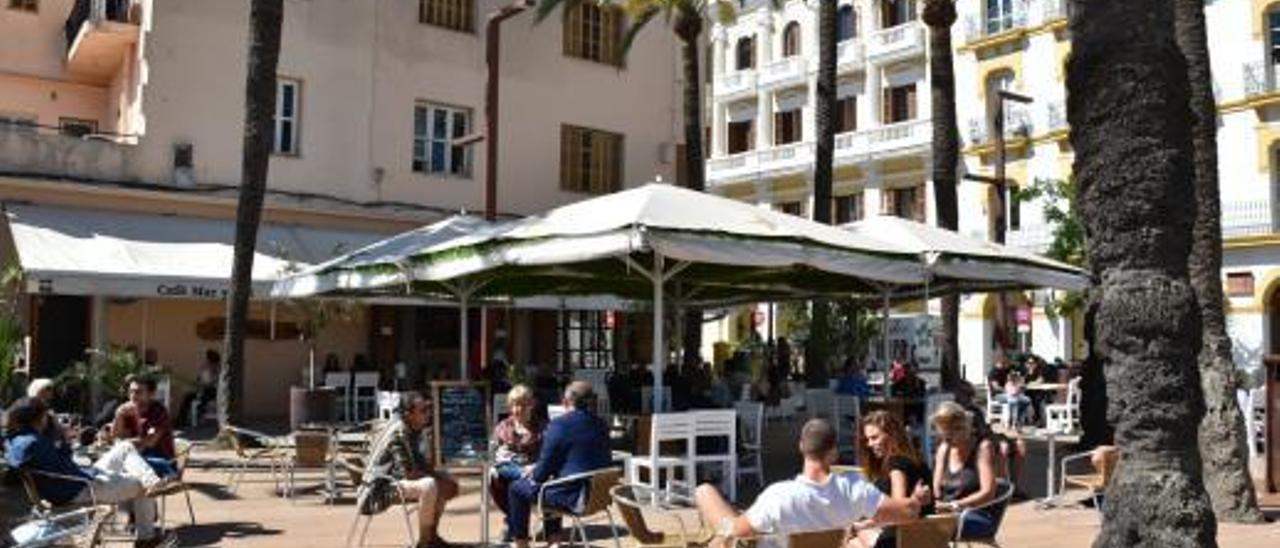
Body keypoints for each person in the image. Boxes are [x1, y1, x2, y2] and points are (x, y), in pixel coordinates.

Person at [694, 419, 926, 548]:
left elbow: (737, 532)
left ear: (801, 448)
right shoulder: (854, 489)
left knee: (706, 493)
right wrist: (916, 499)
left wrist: (722, 529)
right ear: (833, 452)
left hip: (751, 526)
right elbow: (907, 513)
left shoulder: (777, 496)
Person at [6, 397, 173, 548]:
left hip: (77, 481)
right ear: (37, 418)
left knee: (124, 447)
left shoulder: (16, 441)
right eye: (45, 416)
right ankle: (146, 538)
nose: (47, 419)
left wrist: (58, 438)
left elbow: (62, 462)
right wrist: (60, 434)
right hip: (81, 488)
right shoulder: (34, 443)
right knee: (140, 483)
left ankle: (153, 483)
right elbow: (65, 460)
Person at [506, 381, 611, 548]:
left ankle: (521, 543)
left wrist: (535, 468)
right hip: (600, 496)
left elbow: (540, 475)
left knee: (517, 489)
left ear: (565, 402)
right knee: (552, 484)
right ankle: (554, 542)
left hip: (576, 498)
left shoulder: (559, 425)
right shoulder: (601, 424)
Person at [369, 392, 459, 548]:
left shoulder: (417, 431)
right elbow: (407, 473)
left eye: (428, 409)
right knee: (430, 485)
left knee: (447, 480)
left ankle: (432, 536)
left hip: (401, 481)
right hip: (380, 488)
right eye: (423, 410)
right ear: (408, 414)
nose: (428, 414)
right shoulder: (399, 432)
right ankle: (424, 542)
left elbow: (424, 465)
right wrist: (437, 479)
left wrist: (441, 476)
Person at [856, 412, 931, 548]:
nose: (869, 444)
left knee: (851, 538)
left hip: (900, 539)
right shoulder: (917, 460)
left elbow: (899, 509)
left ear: (891, 435)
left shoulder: (896, 464)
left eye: (874, 438)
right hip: (927, 537)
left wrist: (865, 524)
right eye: (867, 439)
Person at [931, 402, 999, 540]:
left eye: (950, 437)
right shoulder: (944, 449)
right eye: (943, 437)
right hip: (947, 513)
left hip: (976, 513)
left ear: (963, 428)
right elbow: (936, 490)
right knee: (909, 524)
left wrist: (953, 506)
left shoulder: (982, 448)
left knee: (926, 529)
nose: (947, 441)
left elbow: (988, 493)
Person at [490, 385, 546, 516]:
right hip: (510, 468)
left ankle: (514, 525)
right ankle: (514, 521)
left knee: (516, 485)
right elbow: (494, 454)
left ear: (531, 405)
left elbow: (547, 455)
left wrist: (533, 467)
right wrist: (501, 455)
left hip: (534, 469)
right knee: (500, 472)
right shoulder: (504, 427)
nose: (517, 410)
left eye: (522, 405)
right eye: (514, 405)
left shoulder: (541, 427)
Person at [110, 376, 178, 479]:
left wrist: (125, 444)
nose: (133, 396)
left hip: (161, 462)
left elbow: (150, 442)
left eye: (138, 392)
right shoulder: (128, 410)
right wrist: (118, 414)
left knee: (120, 466)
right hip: (137, 458)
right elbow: (115, 435)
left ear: (151, 394)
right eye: (131, 392)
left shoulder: (158, 411)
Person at [178, 349, 219, 427]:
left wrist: (204, 384)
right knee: (187, 397)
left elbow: (213, 383)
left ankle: (200, 413)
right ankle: (181, 421)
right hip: (201, 390)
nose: (206, 360)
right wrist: (197, 381)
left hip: (211, 392)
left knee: (205, 394)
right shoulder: (204, 368)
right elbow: (199, 380)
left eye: (207, 358)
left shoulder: (216, 369)